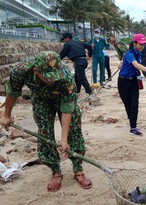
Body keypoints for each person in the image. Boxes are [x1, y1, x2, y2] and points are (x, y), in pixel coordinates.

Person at [0, 51, 92, 192]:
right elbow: (12, 93)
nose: (52, 80)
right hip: (41, 99)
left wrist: (63, 139)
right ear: (36, 71)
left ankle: (78, 170)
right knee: (44, 134)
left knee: (74, 131)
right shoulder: (21, 70)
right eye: (48, 77)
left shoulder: (66, 76)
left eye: (55, 76)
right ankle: (55, 171)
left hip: (62, 97)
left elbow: (67, 109)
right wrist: (7, 115)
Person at [118, 33, 146, 136]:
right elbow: (136, 65)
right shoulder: (129, 53)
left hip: (134, 81)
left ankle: (133, 127)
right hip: (123, 82)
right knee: (128, 104)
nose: (142, 46)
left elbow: (136, 66)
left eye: (144, 44)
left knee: (134, 104)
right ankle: (131, 120)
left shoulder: (139, 54)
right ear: (134, 43)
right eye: (140, 44)